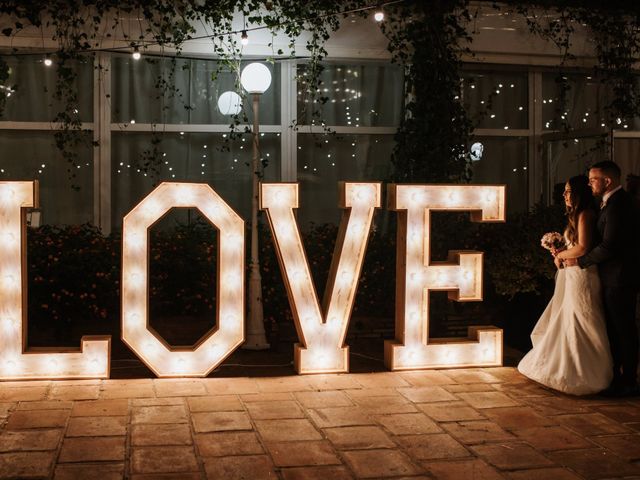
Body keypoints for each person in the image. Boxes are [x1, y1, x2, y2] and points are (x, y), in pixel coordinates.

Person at [518, 175, 613, 395]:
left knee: (583, 317)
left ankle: (588, 374)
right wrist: (559, 252)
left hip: (583, 275)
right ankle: (567, 367)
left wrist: (561, 255)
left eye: (568, 191)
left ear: (579, 193)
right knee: (569, 315)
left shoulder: (586, 214)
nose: (564, 195)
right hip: (572, 273)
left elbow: (582, 248)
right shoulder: (576, 215)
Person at [565, 161, 639, 396]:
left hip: (620, 278)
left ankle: (627, 381)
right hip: (613, 276)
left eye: (593, 179)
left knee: (623, 330)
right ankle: (617, 376)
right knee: (617, 329)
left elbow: (610, 246)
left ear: (608, 181)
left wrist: (580, 261)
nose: (589, 183)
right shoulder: (609, 204)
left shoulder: (619, 206)